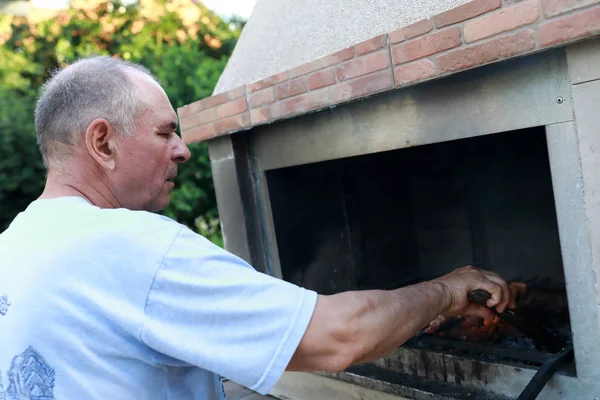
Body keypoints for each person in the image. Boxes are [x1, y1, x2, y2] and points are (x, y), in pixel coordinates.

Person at [0, 56, 518, 400]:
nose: (182, 148)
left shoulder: (17, 244)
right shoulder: (129, 246)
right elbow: (341, 336)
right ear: (103, 143)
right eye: (165, 131)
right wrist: (446, 291)